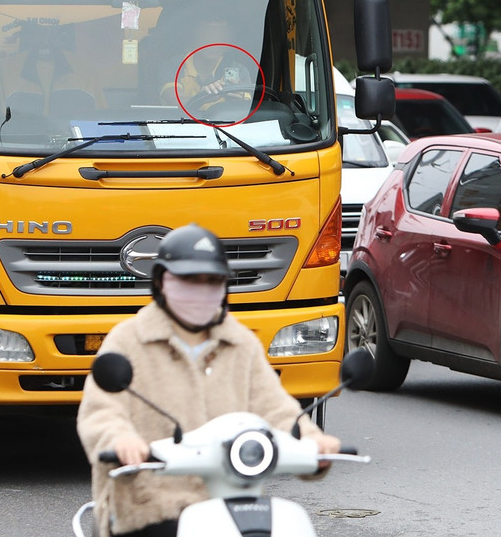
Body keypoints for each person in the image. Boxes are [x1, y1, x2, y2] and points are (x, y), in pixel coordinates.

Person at [76, 223, 341, 537]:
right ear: (161, 282)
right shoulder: (128, 340)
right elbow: (101, 412)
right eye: (189, 280)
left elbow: (275, 408)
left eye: (212, 281)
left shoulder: (241, 343)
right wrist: (120, 441)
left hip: (228, 502)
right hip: (149, 505)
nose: (201, 290)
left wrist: (311, 440)